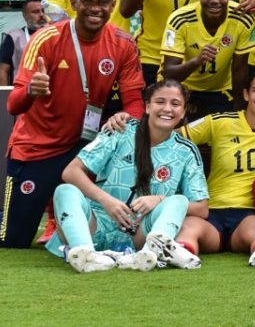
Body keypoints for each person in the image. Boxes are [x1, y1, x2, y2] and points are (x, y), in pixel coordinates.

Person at [0, 0, 146, 248]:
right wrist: (30, 91)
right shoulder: (46, 39)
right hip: (38, 147)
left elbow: (135, 102)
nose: (96, 7)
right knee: (12, 239)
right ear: (74, 3)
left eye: (104, 1)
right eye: (88, 0)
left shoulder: (123, 43)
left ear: (112, 5)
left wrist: (126, 116)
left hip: (86, 148)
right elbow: (13, 104)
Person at [47, 80, 208, 272]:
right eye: (160, 102)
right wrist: (107, 201)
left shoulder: (186, 151)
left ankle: (150, 253)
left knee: (179, 200)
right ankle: (85, 253)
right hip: (97, 222)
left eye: (175, 104)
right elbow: (71, 171)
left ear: (183, 112)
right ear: (147, 106)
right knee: (65, 190)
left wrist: (158, 200)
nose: (167, 109)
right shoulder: (120, 130)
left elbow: (201, 208)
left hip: (138, 233)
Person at [173, 68, 255, 267]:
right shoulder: (219, 122)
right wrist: (125, 123)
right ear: (246, 94)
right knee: (189, 228)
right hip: (212, 212)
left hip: (247, 214)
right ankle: (181, 253)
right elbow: (173, 137)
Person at [160, 0, 255, 118]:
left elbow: (240, 69)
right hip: (182, 88)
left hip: (220, 90)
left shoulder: (243, 19)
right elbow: (169, 74)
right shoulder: (180, 19)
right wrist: (196, 61)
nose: (214, 0)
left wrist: (238, 109)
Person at [0, 0, 50, 86]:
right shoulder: (14, 37)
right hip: (23, 91)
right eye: (35, 12)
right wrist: (3, 96)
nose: (41, 15)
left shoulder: (55, 34)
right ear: (25, 16)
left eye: (43, 11)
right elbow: (2, 70)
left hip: (51, 91)